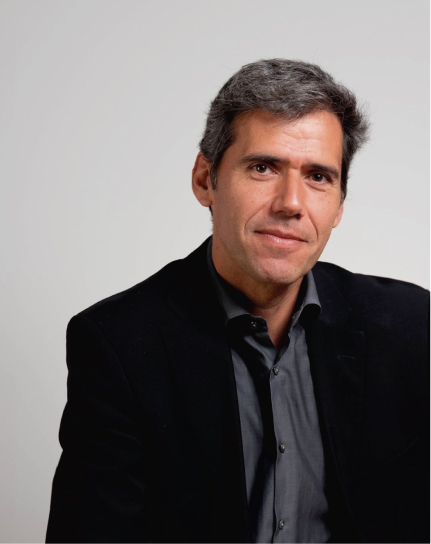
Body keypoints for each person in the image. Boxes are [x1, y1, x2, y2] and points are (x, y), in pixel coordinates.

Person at [46, 59, 429, 544]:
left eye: (318, 176)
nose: (291, 203)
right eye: (263, 167)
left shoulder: (411, 326)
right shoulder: (119, 344)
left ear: (339, 205)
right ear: (205, 179)